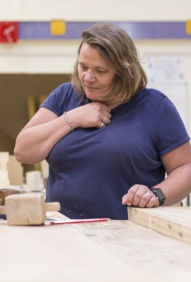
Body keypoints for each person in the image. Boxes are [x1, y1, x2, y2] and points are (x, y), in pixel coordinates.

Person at [14, 23, 191, 220]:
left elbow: (186, 168)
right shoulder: (65, 96)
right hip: (62, 229)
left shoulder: (155, 107)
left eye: (100, 71)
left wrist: (156, 194)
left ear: (124, 72)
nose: (87, 78)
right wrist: (72, 118)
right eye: (83, 67)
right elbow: (23, 151)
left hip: (128, 234)